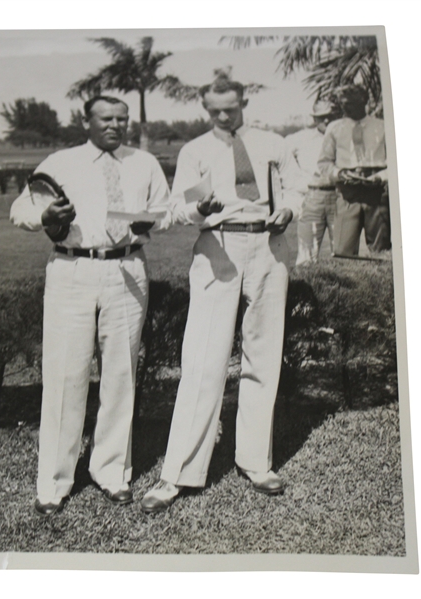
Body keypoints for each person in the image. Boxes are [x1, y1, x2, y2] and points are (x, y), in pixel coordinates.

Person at [141, 77, 303, 513]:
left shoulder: (274, 143)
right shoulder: (195, 151)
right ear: (205, 108)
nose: (223, 117)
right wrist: (200, 210)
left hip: (269, 248)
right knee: (202, 361)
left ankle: (256, 462)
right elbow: (178, 209)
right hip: (218, 248)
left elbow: (296, 189)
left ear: (243, 102)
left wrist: (289, 209)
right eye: (214, 111)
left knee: (263, 358)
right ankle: (178, 474)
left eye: (229, 109)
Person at [10, 95, 170, 515]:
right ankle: (54, 482)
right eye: (105, 119)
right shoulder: (61, 162)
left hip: (128, 269)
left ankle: (112, 472)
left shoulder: (144, 163)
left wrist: (149, 219)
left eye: (122, 119)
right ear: (87, 122)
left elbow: (165, 210)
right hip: (73, 269)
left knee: (121, 373)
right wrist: (45, 219)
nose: (115, 125)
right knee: (66, 375)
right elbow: (21, 209)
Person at [317, 85, 389, 256]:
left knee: (381, 251)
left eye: (351, 103)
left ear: (364, 101)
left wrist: (379, 177)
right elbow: (324, 162)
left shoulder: (383, 127)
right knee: (343, 250)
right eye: (343, 104)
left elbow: (396, 164)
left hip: (377, 193)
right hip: (348, 192)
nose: (346, 108)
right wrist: (340, 174)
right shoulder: (334, 128)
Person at [286, 100, 341, 264]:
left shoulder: (346, 138)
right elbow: (278, 161)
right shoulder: (300, 138)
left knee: (344, 253)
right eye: (321, 117)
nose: (326, 121)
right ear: (314, 119)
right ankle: (308, 288)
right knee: (306, 257)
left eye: (330, 117)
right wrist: (296, 184)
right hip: (311, 197)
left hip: (340, 197)